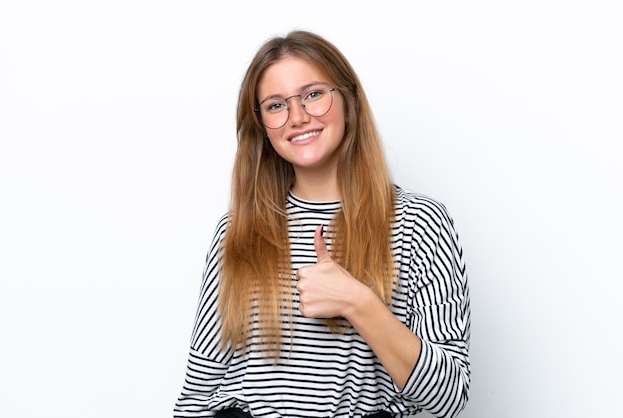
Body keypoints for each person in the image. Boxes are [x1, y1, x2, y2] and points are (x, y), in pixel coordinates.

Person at [174, 30, 471, 418]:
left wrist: (357, 301)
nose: (298, 117)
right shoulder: (237, 229)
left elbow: (449, 397)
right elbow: (199, 392)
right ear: (262, 124)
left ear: (348, 100)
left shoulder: (418, 223)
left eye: (313, 94)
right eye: (276, 105)